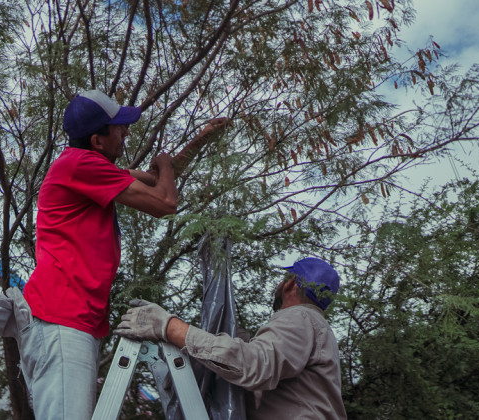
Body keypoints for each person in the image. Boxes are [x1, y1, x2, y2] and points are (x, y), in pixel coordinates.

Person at [19, 89, 178, 420]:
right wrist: (165, 164)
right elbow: (165, 203)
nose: (126, 133)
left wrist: (164, 171)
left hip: (70, 319)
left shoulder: (83, 163)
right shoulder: (82, 165)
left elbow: (150, 182)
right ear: (97, 140)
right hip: (62, 318)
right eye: (118, 128)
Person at [114, 257, 348, 419]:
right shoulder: (313, 327)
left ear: (291, 284)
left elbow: (255, 364)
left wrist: (169, 327)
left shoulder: (299, 318)